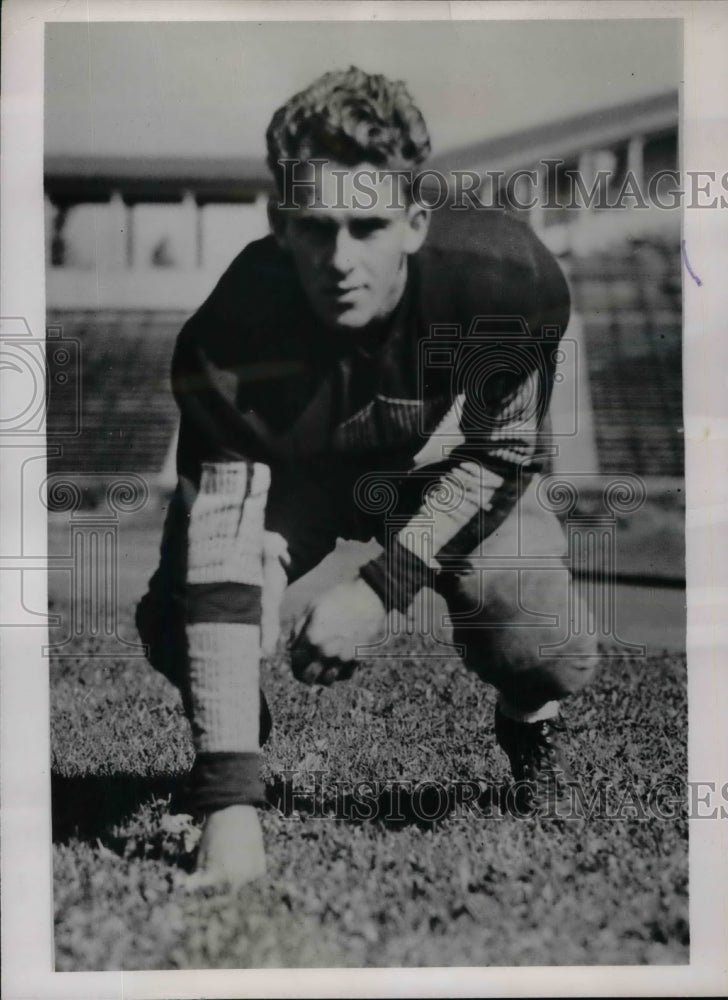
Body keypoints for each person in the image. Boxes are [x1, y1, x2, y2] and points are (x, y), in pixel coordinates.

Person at [136, 66, 598, 886]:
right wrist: (231, 804)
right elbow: (218, 555)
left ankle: (531, 721)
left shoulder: (501, 282)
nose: (339, 259)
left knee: (539, 643)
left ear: (417, 222)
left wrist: (379, 587)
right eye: (314, 228)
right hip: (297, 486)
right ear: (281, 224)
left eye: (367, 224)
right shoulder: (232, 327)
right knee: (184, 610)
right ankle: (240, 738)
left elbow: (499, 452)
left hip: (440, 470)